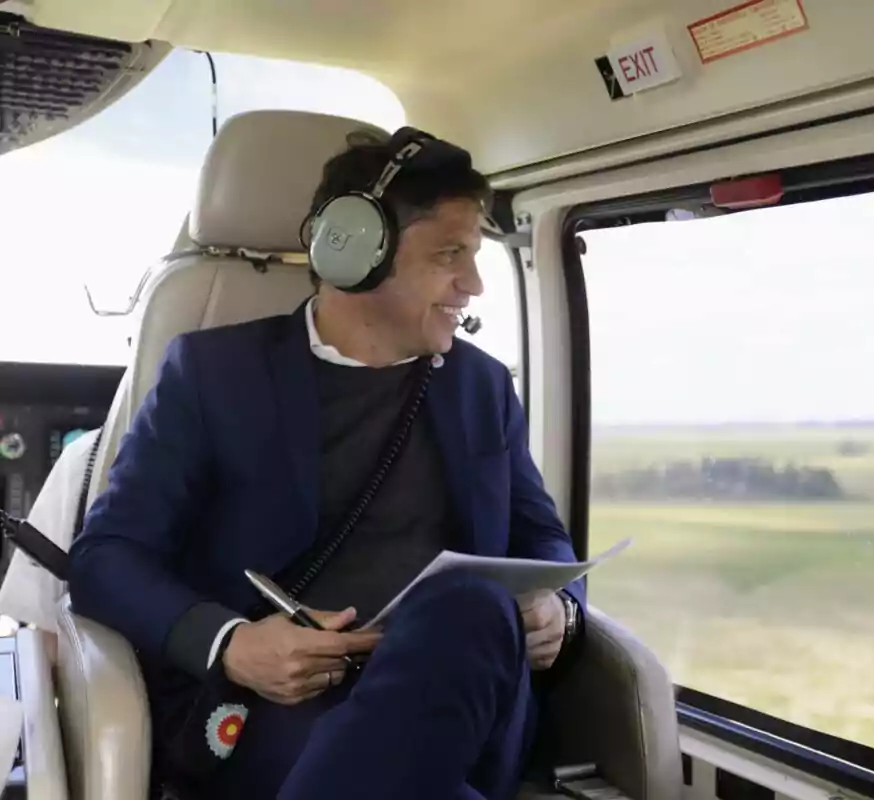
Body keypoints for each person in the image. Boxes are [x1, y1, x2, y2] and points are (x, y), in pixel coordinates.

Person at [67, 128, 585, 800]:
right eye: (449, 254)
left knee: (470, 606)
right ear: (354, 254)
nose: (474, 284)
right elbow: (106, 558)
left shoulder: (481, 386)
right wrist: (233, 644)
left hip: (465, 692)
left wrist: (560, 613)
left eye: (476, 256)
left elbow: (542, 539)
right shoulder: (214, 374)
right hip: (284, 701)